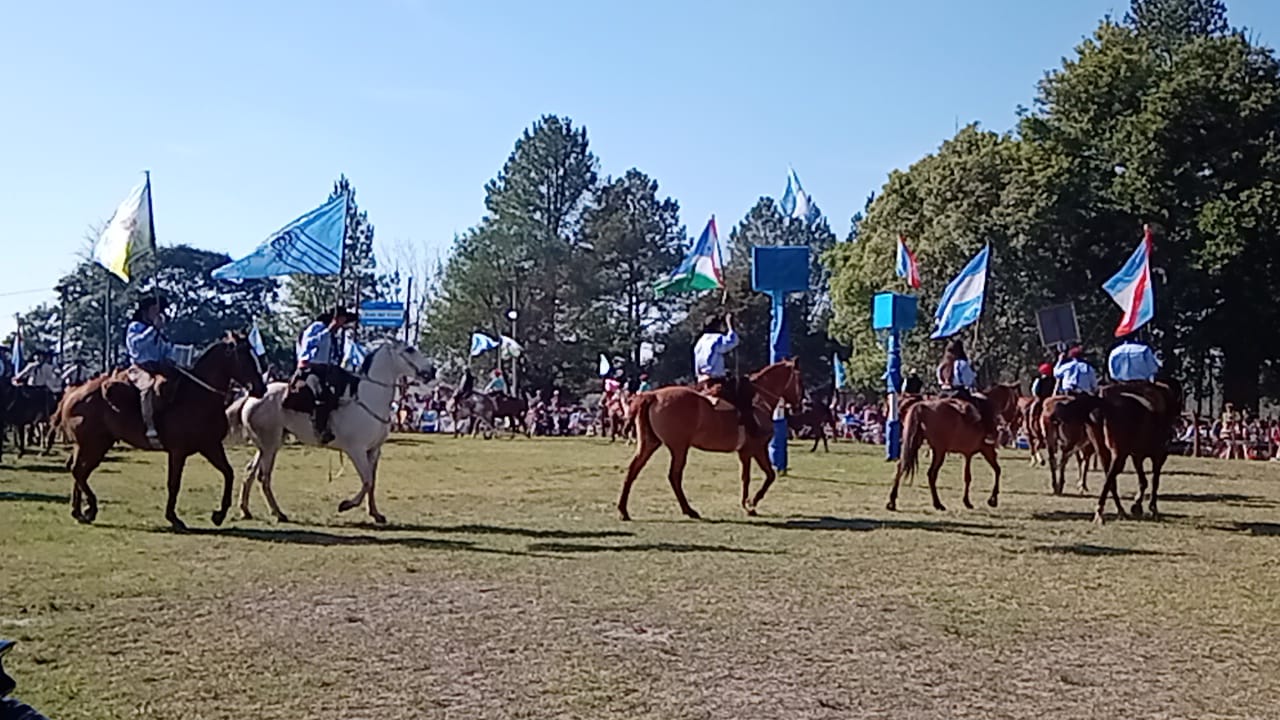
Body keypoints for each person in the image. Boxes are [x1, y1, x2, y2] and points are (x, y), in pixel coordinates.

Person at [294, 307, 359, 443]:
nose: (343, 324)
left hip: (327, 369)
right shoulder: (316, 327)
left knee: (352, 382)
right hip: (311, 368)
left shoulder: (334, 334)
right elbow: (310, 343)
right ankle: (320, 429)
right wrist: (328, 330)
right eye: (342, 320)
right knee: (322, 394)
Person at [693, 313, 760, 436]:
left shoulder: (699, 342)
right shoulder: (716, 338)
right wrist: (730, 324)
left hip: (701, 381)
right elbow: (733, 341)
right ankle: (751, 430)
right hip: (715, 381)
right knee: (744, 394)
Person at [126, 297, 176, 447]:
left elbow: (166, 348)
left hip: (158, 367)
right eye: (154, 310)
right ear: (145, 312)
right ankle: (150, 427)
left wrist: (170, 357)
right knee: (147, 389)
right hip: (140, 367)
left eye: (158, 311)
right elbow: (137, 346)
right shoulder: (135, 327)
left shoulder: (159, 331)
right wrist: (153, 329)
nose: (157, 314)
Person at [936, 338, 997, 445]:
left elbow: (939, 380)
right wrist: (973, 373)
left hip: (943, 393)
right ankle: (988, 433)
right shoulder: (961, 364)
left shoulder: (941, 365)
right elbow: (968, 381)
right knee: (985, 404)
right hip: (958, 393)